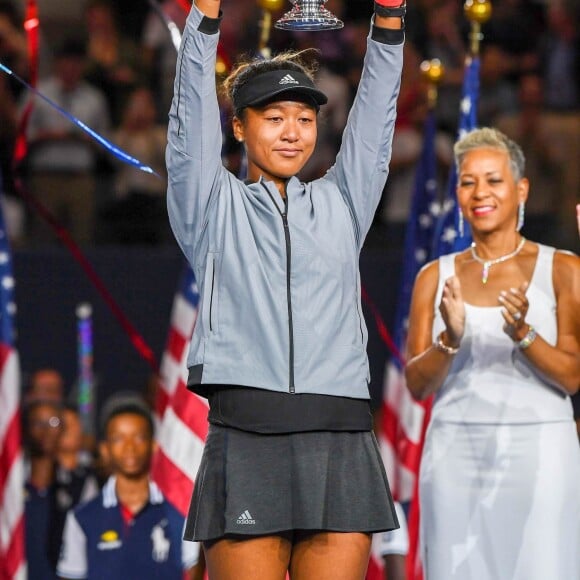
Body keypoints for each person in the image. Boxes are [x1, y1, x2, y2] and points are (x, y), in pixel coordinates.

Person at [165, 0, 405, 578]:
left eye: (304, 116)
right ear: (240, 127)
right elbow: (190, 115)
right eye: (274, 118)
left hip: (342, 435)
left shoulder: (343, 201)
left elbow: (376, 119)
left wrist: (391, 18)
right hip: (249, 437)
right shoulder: (212, 204)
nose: (293, 132)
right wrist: (203, 18)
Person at [404, 127, 580, 579]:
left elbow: (572, 377)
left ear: (521, 189)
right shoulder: (434, 276)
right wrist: (450, 340)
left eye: (493, 180)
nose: (480, 192)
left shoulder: (562, 268)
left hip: (541, 452)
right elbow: (417, 384)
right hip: (454, 454)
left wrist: (524, 334)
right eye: (467, 181)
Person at [57, 395, 201, 580]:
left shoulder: (178, 511)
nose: (129, 447)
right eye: (118, 439)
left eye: (139, 437)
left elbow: (198, 572)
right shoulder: (82, 517)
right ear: (105, 449)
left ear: (153, 445)